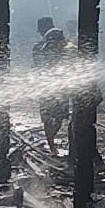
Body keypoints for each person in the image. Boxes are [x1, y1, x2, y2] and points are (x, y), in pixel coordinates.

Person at [32, 17, 72, 154]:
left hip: (54, 88)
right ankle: (52, 146)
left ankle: (52, 145)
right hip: (51, 87)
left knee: (54, 117)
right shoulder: (40, 47)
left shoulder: (60, 44)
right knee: (54, 117)